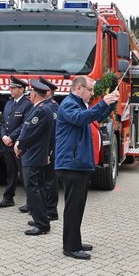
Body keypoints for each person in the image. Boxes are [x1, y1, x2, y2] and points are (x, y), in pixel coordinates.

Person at [56, 76, 119, 260]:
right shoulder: (69, 104)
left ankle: (75, 241)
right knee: (73, 207)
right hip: (71, 164)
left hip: (78, 164)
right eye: (90, 90)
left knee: (78, 206)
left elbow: (95, 116)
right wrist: (102, 103)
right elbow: (80, 118)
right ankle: (70, 247)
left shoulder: (79, 104)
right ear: (79, 88)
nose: (92, 93)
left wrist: (109, 104)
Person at [15, 79, 55, 235]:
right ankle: (41, 218)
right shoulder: (39, 108)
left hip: (33, 155)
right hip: (35, 154)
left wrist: (19, 145)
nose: (29, 95)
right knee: (36, 187)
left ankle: (42, 224)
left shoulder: (40, 110)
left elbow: (30, 134)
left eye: (30, 93)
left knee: (33, 188)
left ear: (34, 94)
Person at [0, 76, 32, 208]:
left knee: (24, 174)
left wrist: (11, 138)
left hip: (19, 144)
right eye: (10, 88)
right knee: (10, 172)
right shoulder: (8, 103)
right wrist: (4, 137)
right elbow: (2, 123)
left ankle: (31, 201)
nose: (10, 90)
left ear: (21, 89)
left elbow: (25, 125)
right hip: (7, 144)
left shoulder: (27, 104)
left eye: (13, 88)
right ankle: (8, 198)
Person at [38, 76, 60, 221]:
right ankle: (44, 209)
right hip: (43, 151)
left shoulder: (52, 107)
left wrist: (49, 152)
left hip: (49, 151)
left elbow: (53, 133)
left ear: (48, 92)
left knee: (49, 182)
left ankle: (51, 211)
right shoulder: (45, 106)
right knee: (43, 181)